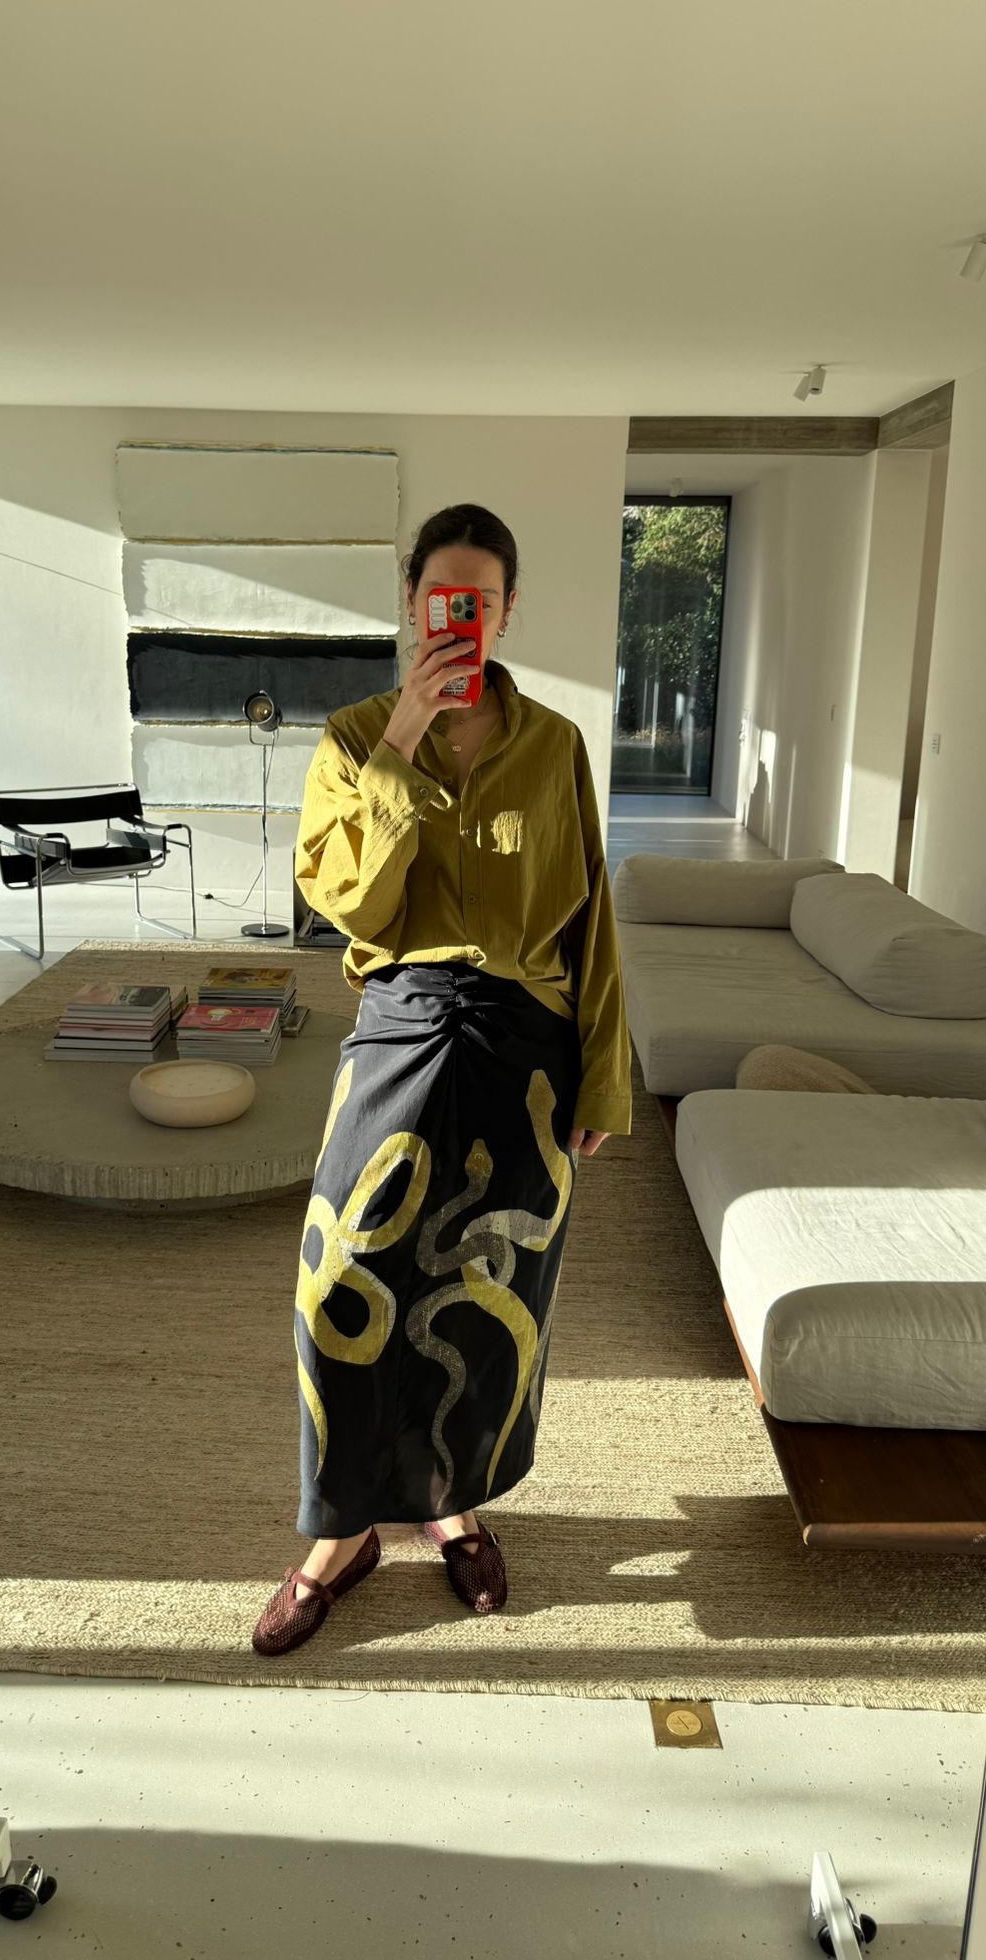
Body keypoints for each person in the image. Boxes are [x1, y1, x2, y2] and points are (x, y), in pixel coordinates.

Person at [252, 502, 632, 1655]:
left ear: (507, 612)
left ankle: (450, 1504)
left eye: (482, 600)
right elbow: (349, 907)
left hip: (528, 1049)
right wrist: (404, 742)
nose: (460, 617)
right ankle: (339, 1533)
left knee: (483, 1290)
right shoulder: (353, 737)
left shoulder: (556, 746)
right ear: (415, 603)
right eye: (441, 598)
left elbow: (591, 917)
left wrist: (603, 1079)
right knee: (339, 1281)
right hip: (404, 1020)